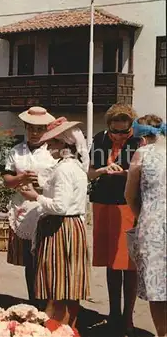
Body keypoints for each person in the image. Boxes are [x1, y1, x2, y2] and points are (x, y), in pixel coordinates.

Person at [20, 118, 90, 330]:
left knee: (59, 286)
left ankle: (56, 329)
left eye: (52, 142)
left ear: (64, 145)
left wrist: (35, 197)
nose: (47, 146)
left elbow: (60, 206)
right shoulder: (74, 166)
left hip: (61, 228)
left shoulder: (64, 170)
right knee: (69, 286)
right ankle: (69, 329)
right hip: (71, 226)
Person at [88, 104, 140, 333]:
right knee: (111, 262)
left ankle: (128, 316)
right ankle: (113, 313)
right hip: (104, 203)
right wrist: (103, 170)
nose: (118, 135)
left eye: (123, 131)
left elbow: (146, 172)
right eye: (115, 131)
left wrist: (125, 173)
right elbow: (89, 173)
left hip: (129, 205)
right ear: (108, 125)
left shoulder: (139, 141)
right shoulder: (99, 139)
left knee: (128, 264)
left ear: (131, 127)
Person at [2, 106, 57, 304]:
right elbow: (6, 180)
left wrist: (41, 184)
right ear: (26, 127)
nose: (35, 133)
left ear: (46, 129)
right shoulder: (16, 151)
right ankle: (33, 301)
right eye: (31, 128)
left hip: (47, 209)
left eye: (39, 129)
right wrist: (21, 177)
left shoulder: (54, 151)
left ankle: (49, 303)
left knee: (47, 259)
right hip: (24, 210)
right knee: (30, 262)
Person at [125, 115, 166, 337]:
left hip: (152, 225)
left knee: (157, 286)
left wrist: (143, 216)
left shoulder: (142, 154)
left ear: (141, 137)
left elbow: (129, 195)